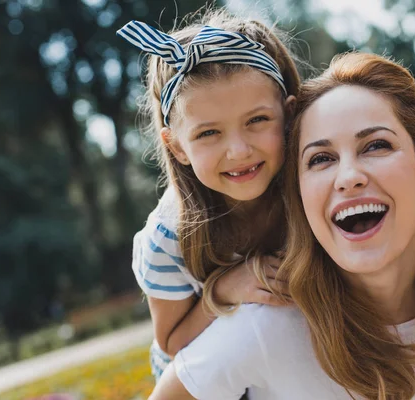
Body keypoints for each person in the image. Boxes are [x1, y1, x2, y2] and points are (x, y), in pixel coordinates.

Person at [150, 52, 415, 400]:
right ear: (299, 197)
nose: (349, 176)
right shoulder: (263, 327)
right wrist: (220, 293)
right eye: (320, 159)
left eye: (376, 145)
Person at [117, 9, 299, 380]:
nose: (238, 151)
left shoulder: (315, 191)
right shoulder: (168, 238)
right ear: (178, 147)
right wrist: (226, 289)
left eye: (257, 121)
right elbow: (170, 342)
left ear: (289, 113)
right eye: (208, 134)